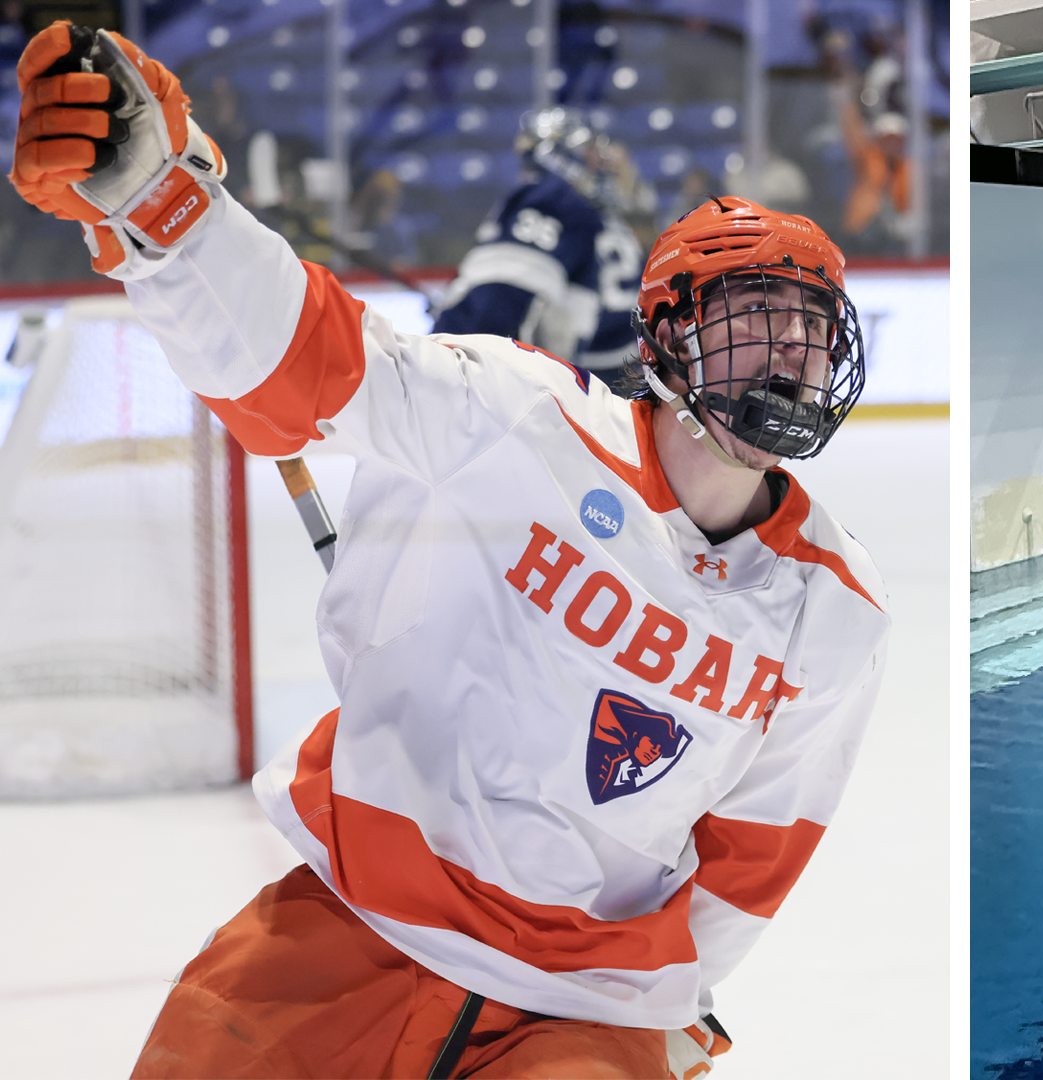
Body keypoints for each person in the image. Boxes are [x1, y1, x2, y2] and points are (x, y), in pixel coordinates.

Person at [10, 23, 887, 1080]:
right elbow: (307, 361)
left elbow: (753, 856)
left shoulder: (835, 605)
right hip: (342, 937)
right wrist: (167, 206)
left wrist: (666, 1005)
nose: (790, 352)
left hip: (581, 1007)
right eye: (758, 315)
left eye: (809, 326)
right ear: (669, 336)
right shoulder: (518, 417)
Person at [434, 106, 659, 378]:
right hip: (621, 368)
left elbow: (499, 297)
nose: (599, 162)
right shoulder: (596, 214)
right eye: (589, 152)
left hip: (578, 375)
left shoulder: (552, 198)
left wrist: (453, 363)